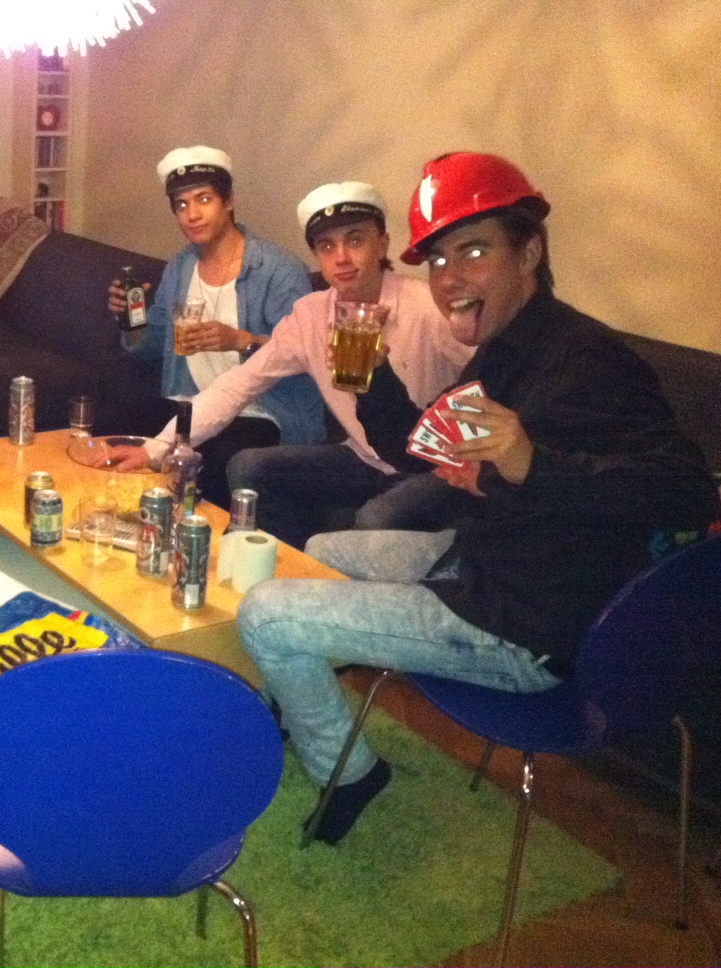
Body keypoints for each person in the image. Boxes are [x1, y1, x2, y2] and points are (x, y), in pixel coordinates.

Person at [237, 152, 720, 844]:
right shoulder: (508, 346)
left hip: (524, 627)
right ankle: (298, 699)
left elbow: (686, 493)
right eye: (437, 259)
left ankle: (351, 774)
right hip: (483, 561)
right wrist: (372, 376)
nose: (448, 278)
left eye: (472, 250)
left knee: (266, 614)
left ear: (529, 252)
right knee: (320, 549)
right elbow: (424, 444)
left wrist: (531, 464)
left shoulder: (587, 359)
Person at [112, 181, 474, 547]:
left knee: (377, 518)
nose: (341, 258)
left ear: (382, 244)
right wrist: (156, 448)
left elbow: (491, 376)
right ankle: (283, 561)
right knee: (248, 466)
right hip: (364, 457)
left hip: (434, 468)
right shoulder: (311, 316)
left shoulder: (429, 307)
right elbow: (238, 385)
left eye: (355, 240)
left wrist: (474, 457)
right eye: (327, 246)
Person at [109, 146, 323, 510]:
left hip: (262, 412)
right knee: (114, 414)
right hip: (191, 402)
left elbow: (305, 356)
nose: (192, 214)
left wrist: (240, 340)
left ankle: (198, 534)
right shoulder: (181, 267)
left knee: (219, 454)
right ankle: (126, 519)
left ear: (229, 201)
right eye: (181, 205)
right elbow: (151, 347)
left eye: (204, 199)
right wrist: (131, 318)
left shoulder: (279, 270)